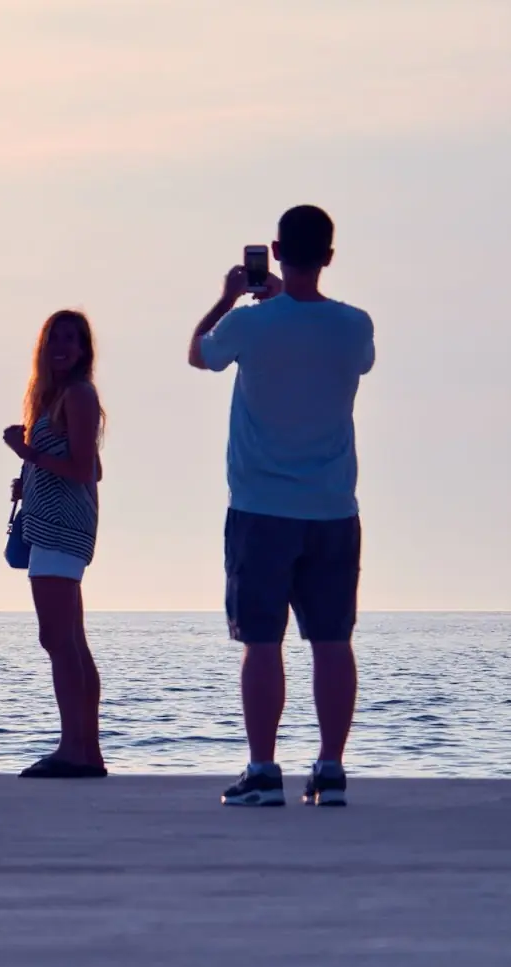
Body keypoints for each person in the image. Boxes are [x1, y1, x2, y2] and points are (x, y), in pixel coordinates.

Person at [189, 205, 376, 807]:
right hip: (332, 508)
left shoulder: (252, 324)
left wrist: (228, 300)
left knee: (262, 642)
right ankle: (330, 768)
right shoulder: (355, 326)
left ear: (273, 250)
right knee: (332, 640)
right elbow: (349, 355)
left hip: (261, 506)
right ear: (329, 254)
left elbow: (200, 354)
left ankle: (264, 769)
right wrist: (277, 301)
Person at [3, 310, 106, 778]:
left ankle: (73, 749)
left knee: (58, 639)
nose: (62, 345)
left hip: (63, 528)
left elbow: (85, 471)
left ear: (85, 349)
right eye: (55, 338)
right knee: (70, 641)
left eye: (72, 338)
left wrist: (30, 454)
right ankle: (88, 751)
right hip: (53, 524)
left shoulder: (80, 396)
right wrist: (33, 476)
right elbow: (90, 466)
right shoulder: (56, 398)